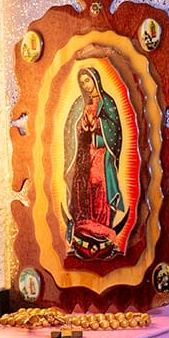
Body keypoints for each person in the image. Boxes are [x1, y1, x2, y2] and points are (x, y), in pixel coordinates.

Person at [64, 64, 128, 256]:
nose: (86, 85)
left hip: (102, 155)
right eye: (82, 82)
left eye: (88, 80)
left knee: (100, 186)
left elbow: (116, 132)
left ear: (95, 79)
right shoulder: (79, 103)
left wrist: (98, 125)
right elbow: (69, 131)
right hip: (84, 156)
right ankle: (86, 229)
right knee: (85, 189)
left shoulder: (107, 102)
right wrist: (83, 126)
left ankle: (102, 229)